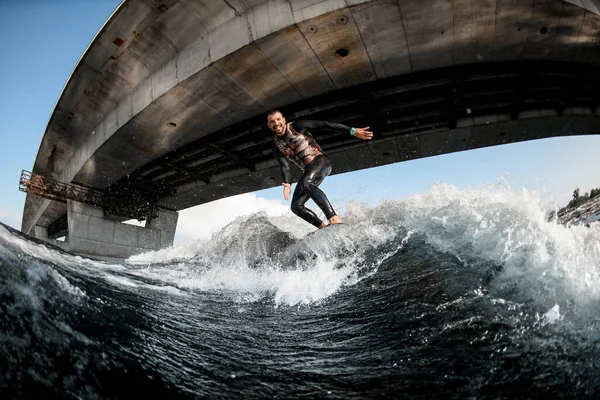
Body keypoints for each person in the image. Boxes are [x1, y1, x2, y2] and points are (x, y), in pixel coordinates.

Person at [266, 110, 373, 229]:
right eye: (272, 121)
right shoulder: (276, 146)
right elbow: (285, 167)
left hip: (321, 161)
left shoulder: (296, 126)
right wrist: (287, 183)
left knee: (306, 182)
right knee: (296, 207)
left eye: (278, 119)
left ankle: (334, 218)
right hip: (308, 171)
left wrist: (352, 131)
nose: (276, 123)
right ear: (269, 125)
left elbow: (325, 124)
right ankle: (323, 228)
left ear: (283, 120)